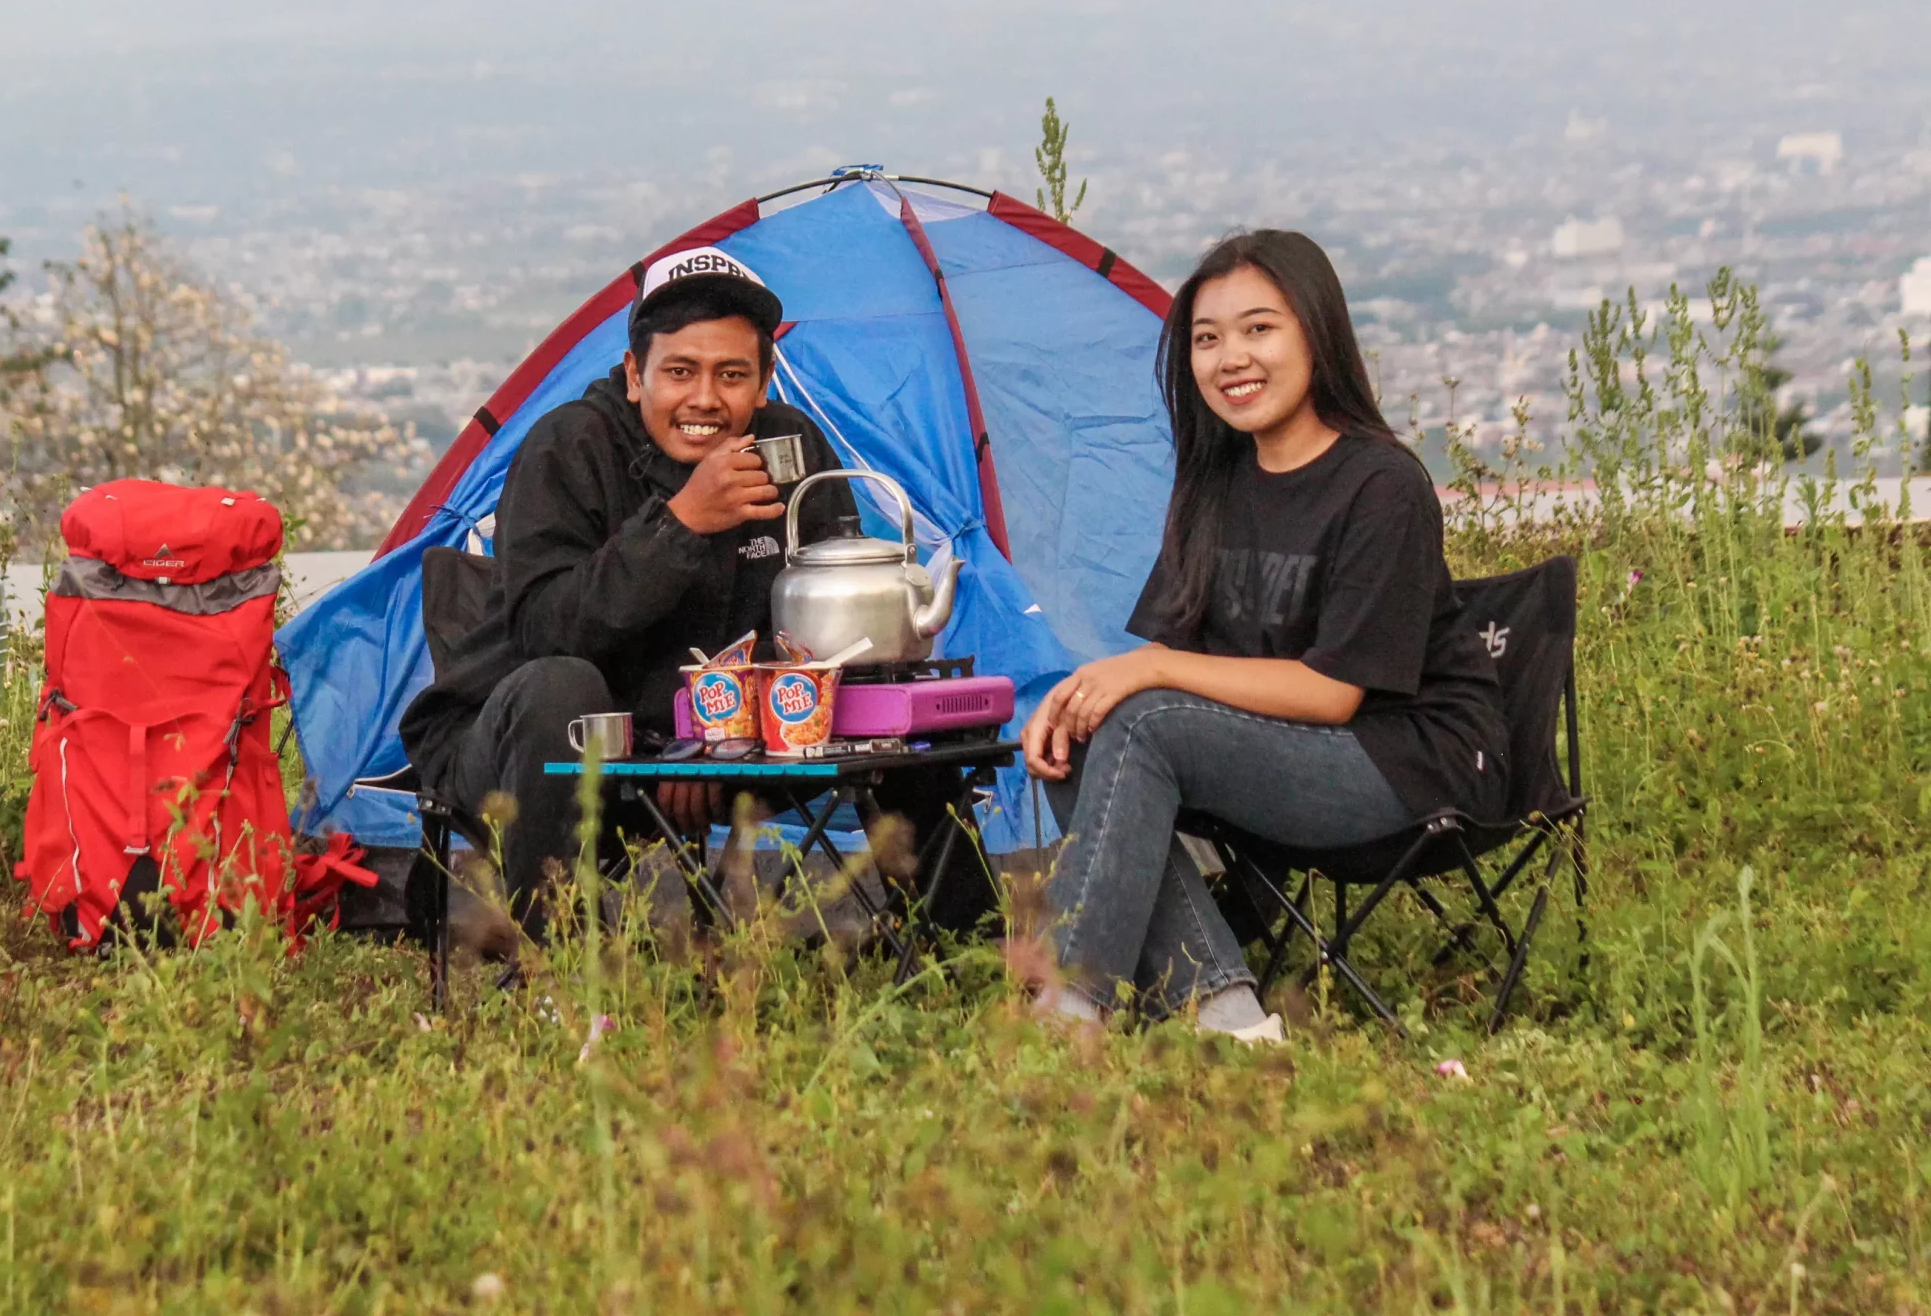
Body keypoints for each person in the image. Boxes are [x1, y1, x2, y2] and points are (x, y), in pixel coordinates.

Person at [400, 247, 990, 938]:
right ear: (635, 375)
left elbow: (831, 632)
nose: (705, 399)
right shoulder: (570, 447)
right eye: (679, 372)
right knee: (561, 686)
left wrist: (713, 736)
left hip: (732, 743)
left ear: (764, 383)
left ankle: (972, 952)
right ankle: (557, 968)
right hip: (526, 748)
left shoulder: (789, 449)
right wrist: (679, 525)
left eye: (732, 375)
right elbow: (544, 633)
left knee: (890, 693)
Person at [1021, 229, 1507, 1043]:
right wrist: (1084, 693)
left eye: (1258, 328)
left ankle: (1070, 1013)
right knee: (1087, 728)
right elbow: (1178, 657)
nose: (1231, 358)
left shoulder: (1382, 485)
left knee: (1141, 719)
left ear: (1316, 333)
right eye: (1207, 338)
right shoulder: (1216, 485)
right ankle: (1228, 1018)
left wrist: (1145, 673)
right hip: (1287, 753)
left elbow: (1333, 691)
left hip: (1410, 767)